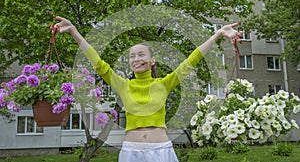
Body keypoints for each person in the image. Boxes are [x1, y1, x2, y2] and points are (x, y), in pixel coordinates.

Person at [53, 16, 241, 162]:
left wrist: (218, 34)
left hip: (161, 151)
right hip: (130, 152)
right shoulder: (123, 85)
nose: (136, 59)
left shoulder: (164, 84)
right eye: (132, 56)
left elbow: (191, 60)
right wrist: (73, 31)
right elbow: (98, 63)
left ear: (152, 61)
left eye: (141, 54)